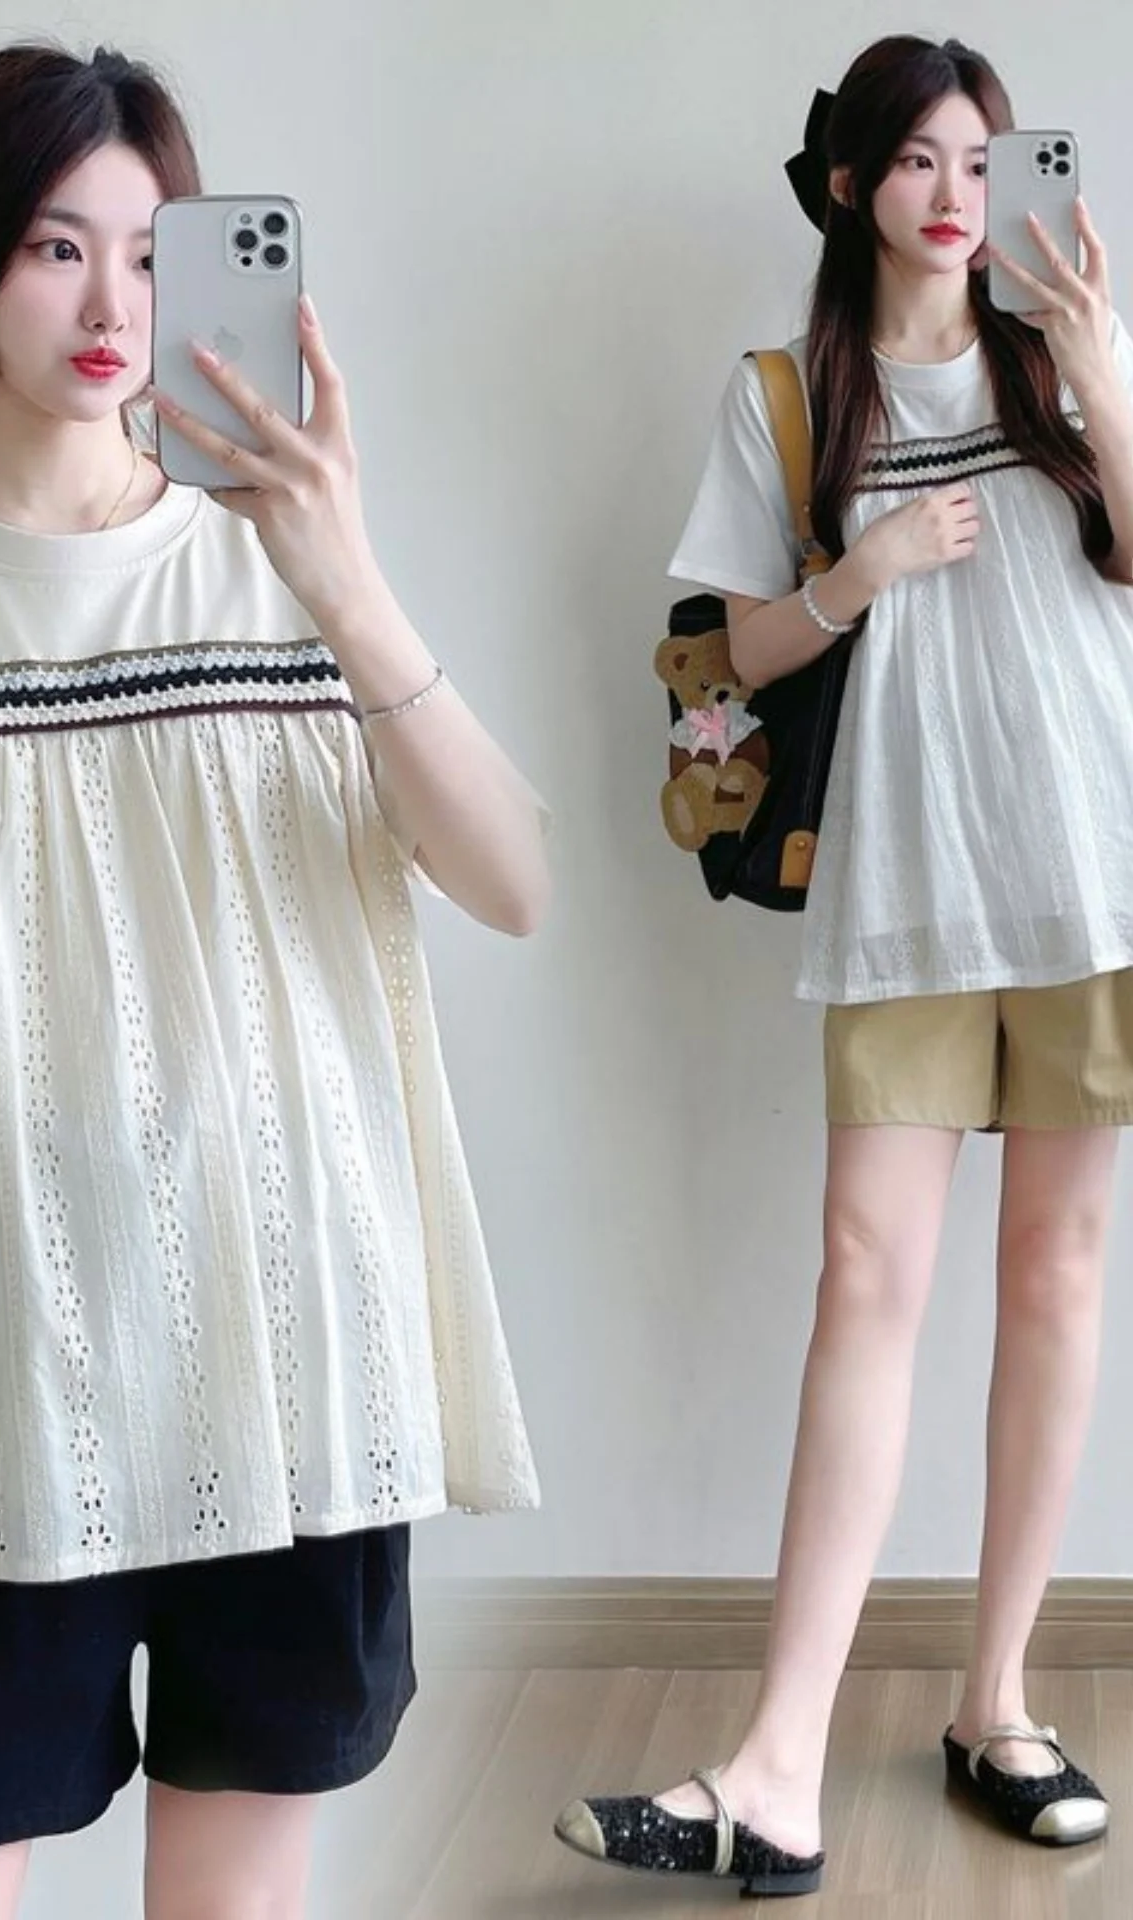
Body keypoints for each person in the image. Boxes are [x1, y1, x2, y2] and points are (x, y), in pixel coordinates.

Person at [0, 40, 548, 1920]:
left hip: (287, 1359)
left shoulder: (280, 568)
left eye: (155, 256)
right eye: (56, 249)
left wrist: (342, 576)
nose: (112, 307)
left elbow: (514, 880)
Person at [557, 32, 1133, 1897]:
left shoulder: (1064, 359)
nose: (954, 192)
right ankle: (779, 1766)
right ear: (848, 185)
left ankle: (998, 1701)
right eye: (916, 159)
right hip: (907, 879)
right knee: (867, 1276)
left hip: (1095, 870)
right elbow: (738, 648)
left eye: (980, 157)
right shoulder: (792, 393)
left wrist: (1104, 365)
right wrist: (862, 572)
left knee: (1055, 1273)